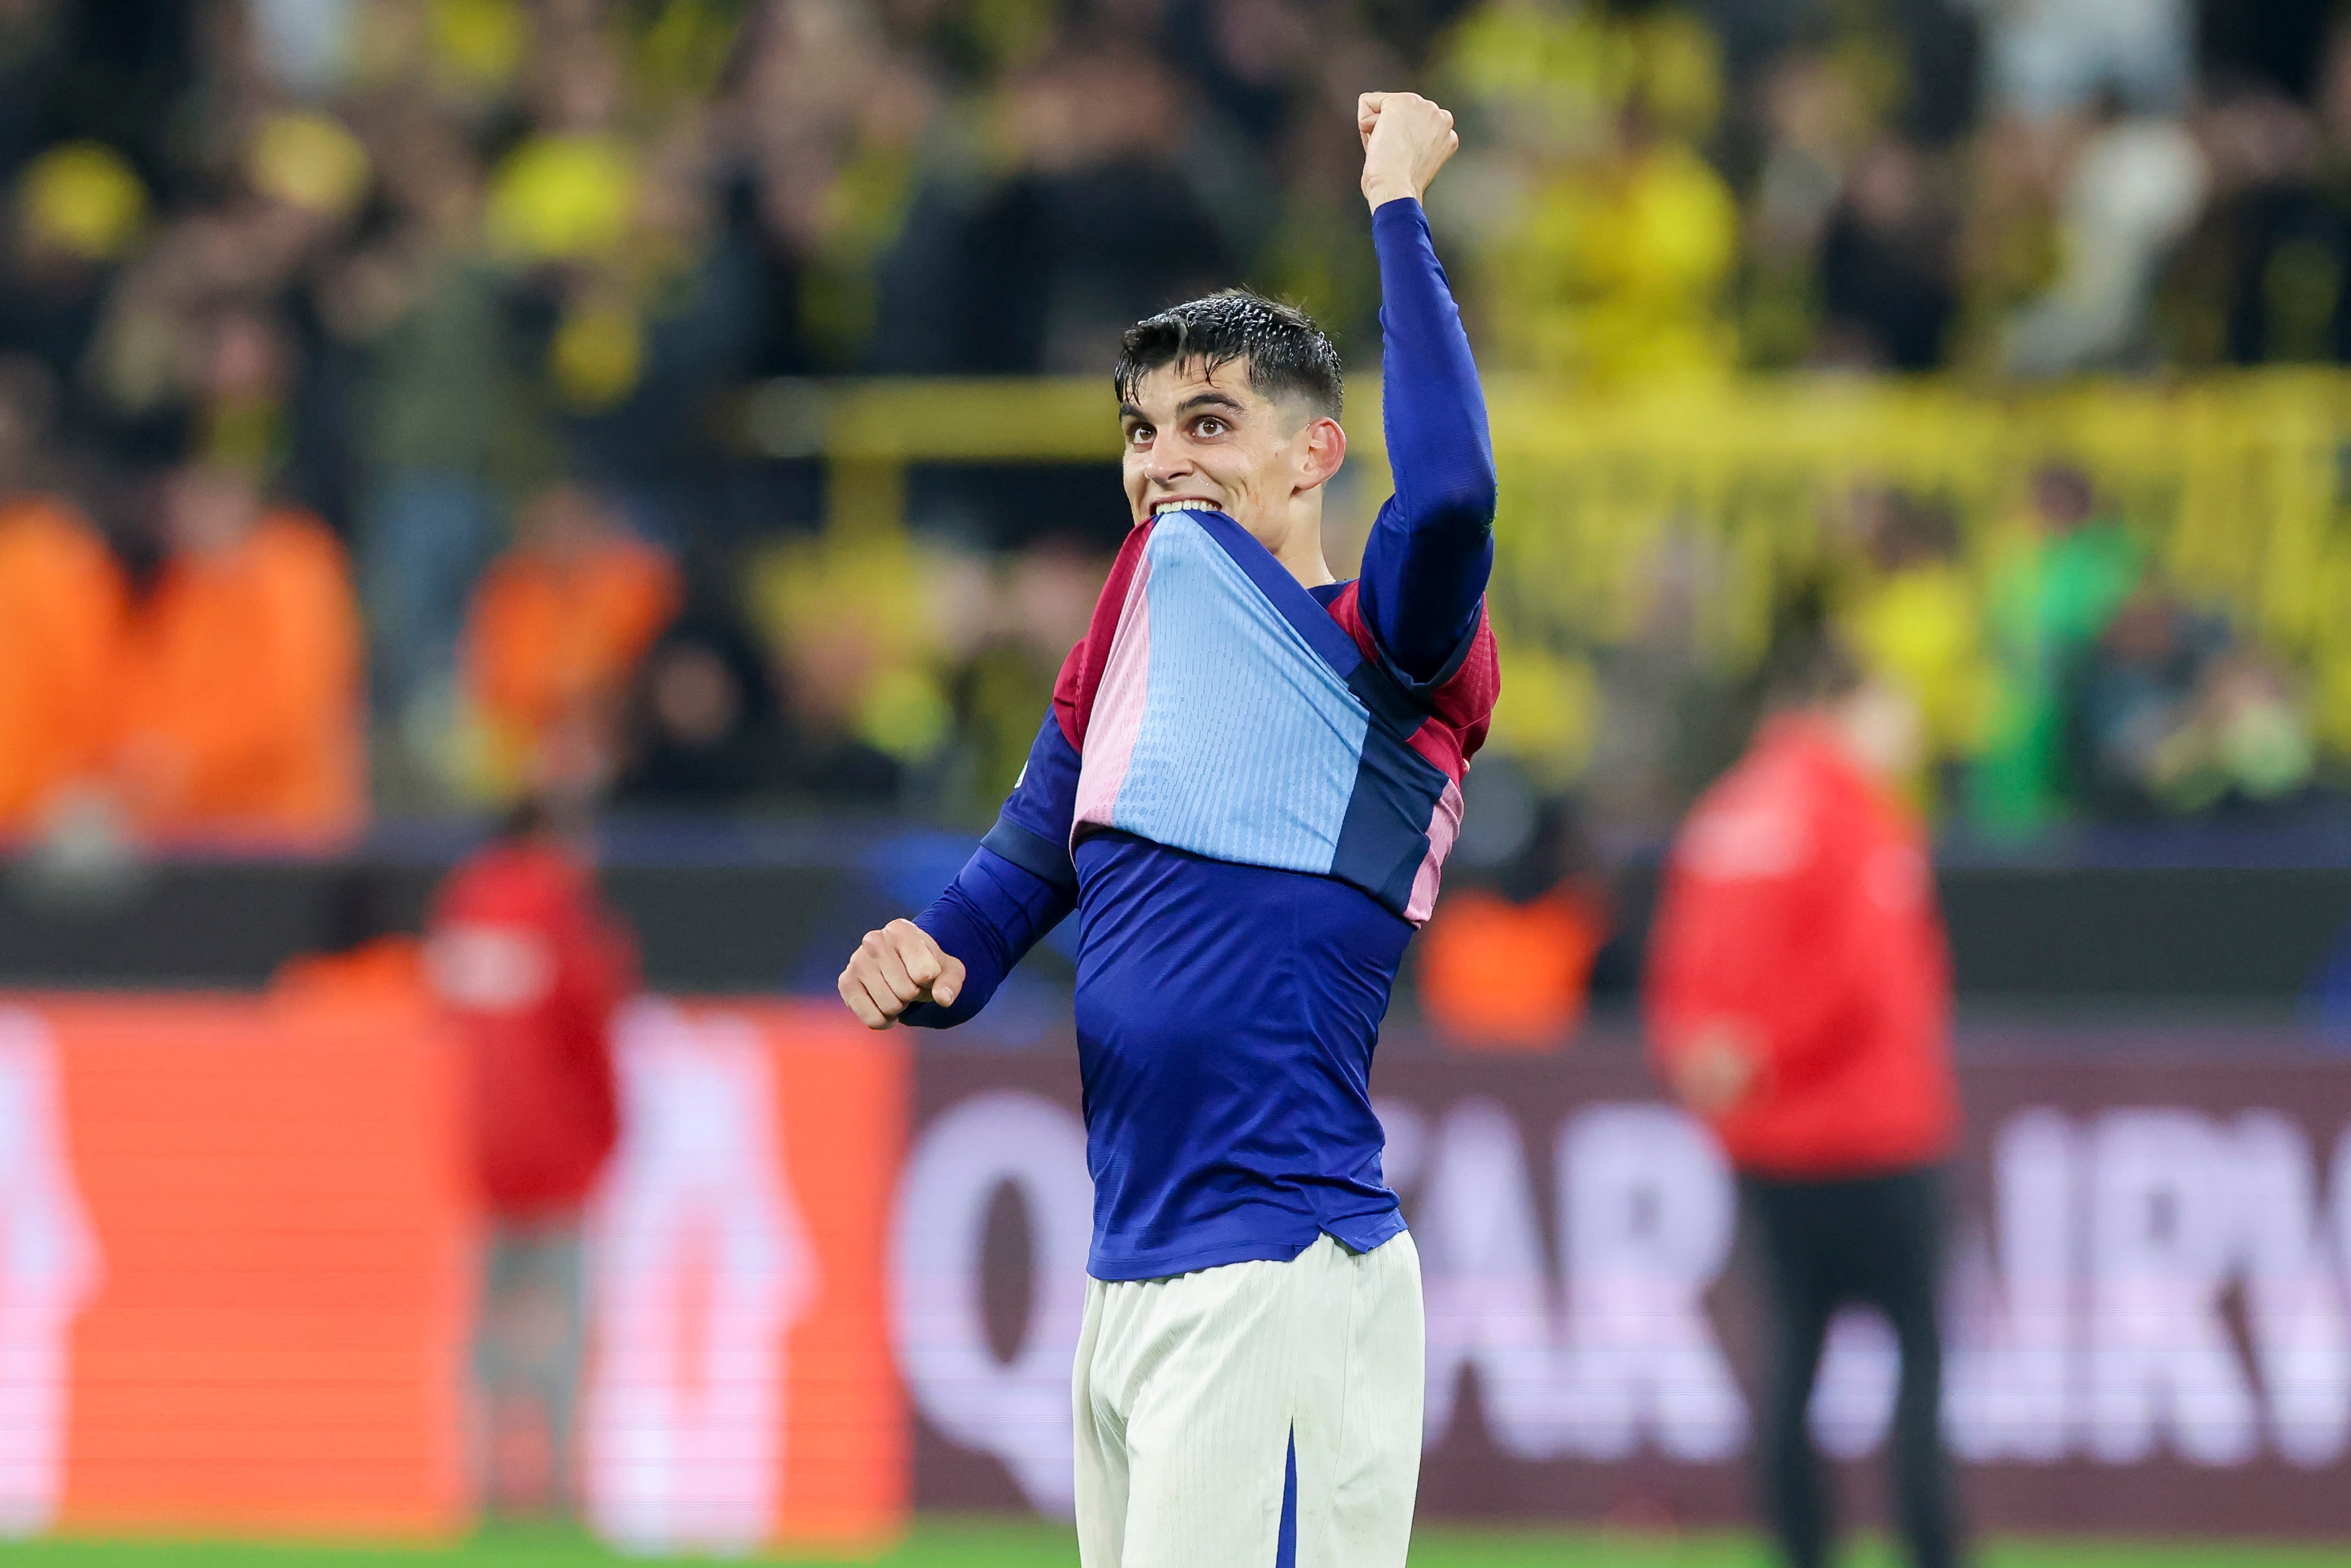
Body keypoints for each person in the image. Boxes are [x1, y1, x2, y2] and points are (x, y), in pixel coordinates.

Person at [839, 93, 1496, 1567]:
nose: (1162, 464)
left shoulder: (1386, 645)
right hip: (1130, 1265)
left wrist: (1393, 198)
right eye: (1141, 432)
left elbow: (1450, 489)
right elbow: (1020, 863)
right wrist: (928, 953)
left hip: (1277, 1263)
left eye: (1209, 423)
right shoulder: (1132, 619)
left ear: (1316, 450)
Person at [1645, 635, 1963, 1568]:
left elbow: (1677, 978)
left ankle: (1799, 1550)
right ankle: (1931, 1547)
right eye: (1891, 706)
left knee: (1789, 1361)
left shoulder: (1723, 812)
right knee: (1918, 1357)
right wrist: (1771, 1047)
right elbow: (1877, 982)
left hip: (1766, 1139)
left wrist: (1718, 1063)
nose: (1904, 730)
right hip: (1876, 1131)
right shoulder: (1857, 815)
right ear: (1845, 704)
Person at [425, 794, 636, 1520]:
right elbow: (594, 1034)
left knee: (483, 1334)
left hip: (483, 1157)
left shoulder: (462, 907)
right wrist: (609, 1138)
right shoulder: (563, 917)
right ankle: (553, 1492)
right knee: (562, 1330)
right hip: (557, 1158)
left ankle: (481, 1487)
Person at [115, 462, 365, 845]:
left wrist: (184, 763)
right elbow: (152, 699)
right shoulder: (188, 585)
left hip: (287, 835)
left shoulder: (291, 571)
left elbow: (289, 708)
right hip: (198, 836)